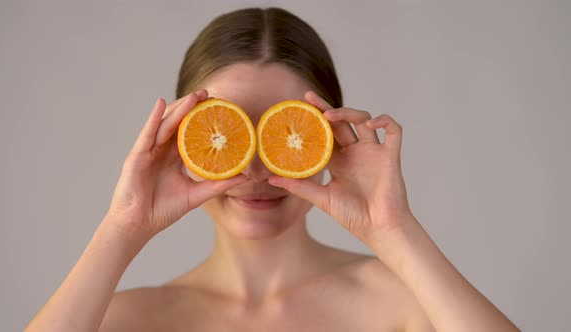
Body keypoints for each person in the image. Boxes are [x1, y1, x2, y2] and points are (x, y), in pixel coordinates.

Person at [26, 7, 520, 332]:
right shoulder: (125, 320)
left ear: (328, 139)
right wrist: (123, 226)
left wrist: (394, 230)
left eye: (285, 136)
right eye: (229, 135)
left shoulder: (408, 307)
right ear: (182, 140)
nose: (259, 170)